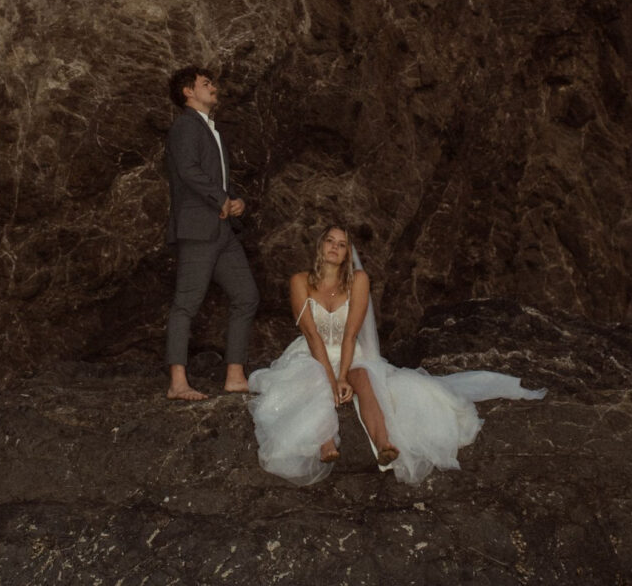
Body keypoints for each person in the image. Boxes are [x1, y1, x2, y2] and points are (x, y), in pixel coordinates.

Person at [248, 223, 546, 486]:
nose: (335, 248)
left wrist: (343, 376)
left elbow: (351, 334)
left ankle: (384, 445)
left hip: (350, 351)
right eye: (330, 241)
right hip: (312, 352)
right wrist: (330, 379)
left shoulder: (358, 280)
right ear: (320, 245)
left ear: (348, 251)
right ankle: (325, 443)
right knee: (312, 375)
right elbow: (312, 336)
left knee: (364, 379)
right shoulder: (300, 281)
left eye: (342, 244)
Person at [164, 65, 259, 401]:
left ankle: (235, 376)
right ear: (188, 92)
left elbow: (217, 180)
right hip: (197, 229)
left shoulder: (209, 129)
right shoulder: (185, 126)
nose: (213, 87)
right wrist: (222, 198)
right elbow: (188, 171)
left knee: (246, 296)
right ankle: (178, 383)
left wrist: (236, 202)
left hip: (222, 230)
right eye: (206, 83)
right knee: (186, 305)